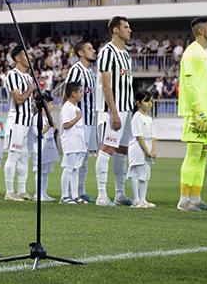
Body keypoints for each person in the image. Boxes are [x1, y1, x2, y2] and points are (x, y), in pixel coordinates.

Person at [177, 17, 207, 212]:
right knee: (193, 155)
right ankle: (184, 199)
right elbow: (190, 84)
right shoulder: (192, 53)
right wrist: (198, 111)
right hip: (196, 114)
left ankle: (195, 197)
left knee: (203, 156)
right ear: (201, 31)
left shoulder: (206, 54)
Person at [95, 16, 135, 207]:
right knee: (107, 150)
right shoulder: (107, 52)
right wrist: (114, 112)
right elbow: (106, 85)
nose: (130, 30)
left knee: (122, 151)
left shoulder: (126, 54)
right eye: (126, 27)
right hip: (113, 110)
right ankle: (102, 195)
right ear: (115, 30)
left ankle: (120, 193)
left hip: (127, 110)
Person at [64, 40, 97, 202]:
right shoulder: (76, 70)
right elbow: (67, 93)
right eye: (90, 49)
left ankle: (80, 191)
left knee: (84, 159)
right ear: (81, 53)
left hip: (90, 120)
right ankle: (70, 193)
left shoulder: (91, 72)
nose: (94, 51)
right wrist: (68, 116)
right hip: (78, 123)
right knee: (75, 159)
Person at [4, 45, 37, 201]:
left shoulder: (29, 77)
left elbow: (28, 101)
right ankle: (10, 191)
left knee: (24, 156)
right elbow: (18, 99)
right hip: (16, 120)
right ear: (17, 58)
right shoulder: (12, 75)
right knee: (14, 155)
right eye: (25, 54)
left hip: (27, 121)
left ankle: (22, 190)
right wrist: (31, 90)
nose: (29, 57)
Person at [128, 90, 157, 208]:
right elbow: (139, 137)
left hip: (148, 150)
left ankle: (143, 199)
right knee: (135, 173)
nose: (150, 103)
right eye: (146, 101)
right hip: (138, 149)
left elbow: (153, 136)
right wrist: (147, 151)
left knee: (145, 174)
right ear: (138, 103)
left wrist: (153, 150)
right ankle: (135, 200)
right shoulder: (136, 117)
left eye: (151, 101)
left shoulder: (149, 119)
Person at [60, 82, 87, 204]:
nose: (82, 94)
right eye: (80, 92)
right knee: (68, 168)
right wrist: (77, 118)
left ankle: (75, 195)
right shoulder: (67, 107)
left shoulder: (76, 108)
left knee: (75, 169)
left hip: (78, 143)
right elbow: (65, 125)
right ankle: (64, 196)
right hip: (70, 143)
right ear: (73, 94)